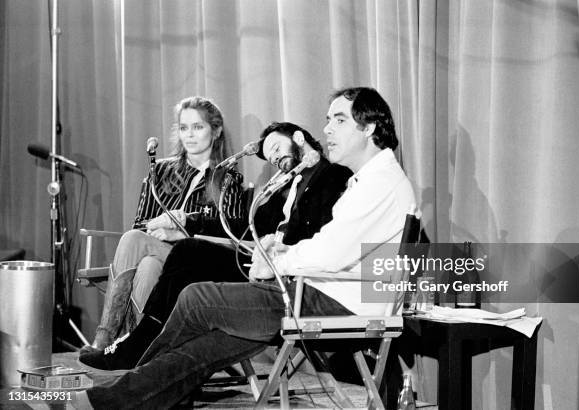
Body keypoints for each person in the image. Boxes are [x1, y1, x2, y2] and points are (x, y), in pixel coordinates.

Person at [73, 87, 420, 409]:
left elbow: (330, 254)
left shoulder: (380, 183)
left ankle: (131, 386)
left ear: (370, 127)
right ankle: (127, 397)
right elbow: (330, 246)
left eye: (340, 120)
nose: (328, 129)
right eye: (328, 120)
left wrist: (275, 260)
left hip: (329, 301)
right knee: (209, 345)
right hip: (316, 292)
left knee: (196, 298)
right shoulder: (370, 179)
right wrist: (276, 254)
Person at [79, 121, 352, 370]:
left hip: (282, 276)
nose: (276, 158)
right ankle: (144, 345)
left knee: (188, 255)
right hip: (255, 261)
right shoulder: (284, 186)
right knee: (184, 253)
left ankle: (143, 344)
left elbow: (321, 234)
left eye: (277, 148)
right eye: (271, 156)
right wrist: (190, 226)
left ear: (299, 138)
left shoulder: (331, 175)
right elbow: (241, 227)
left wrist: (277, 245)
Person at [88, 96, 245, 351]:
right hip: (155, 252)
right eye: (184, 128)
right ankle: (134, 347)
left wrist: (181, 227)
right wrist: (157, 227)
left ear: (215, 131)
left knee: (132, 240)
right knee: (147, 262)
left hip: (191, 260)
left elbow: (226, 232)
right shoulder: (159, 171)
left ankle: (107, 338)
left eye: (198, 127)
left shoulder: (228, 179)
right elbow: (140, 225)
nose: (190, 135)